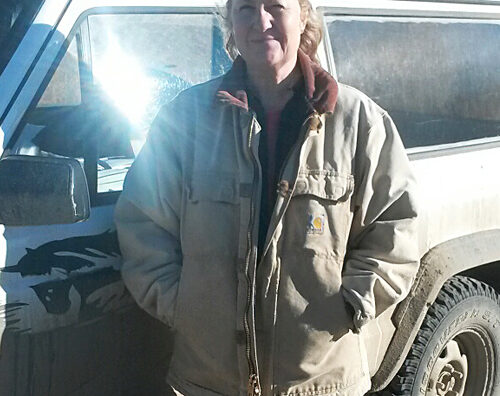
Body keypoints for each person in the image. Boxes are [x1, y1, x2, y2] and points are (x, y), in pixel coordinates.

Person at [114, 0, 420, 395]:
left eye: (275, 6)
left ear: (303, 15)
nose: (261, 21)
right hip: (208, 380)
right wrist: (182, 306)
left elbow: (397, 226)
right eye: (244, 8)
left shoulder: (358, 121)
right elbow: (143, 222)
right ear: (229, 20)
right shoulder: (184, 120)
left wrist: (351, 305)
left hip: (320, 382)